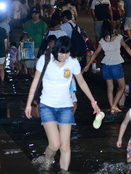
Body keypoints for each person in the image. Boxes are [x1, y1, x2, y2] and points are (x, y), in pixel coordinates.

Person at [25, 36, 101, 171]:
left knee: (65, 146)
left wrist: (93, 102)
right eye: (61, 52)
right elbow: (35, 82)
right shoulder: (45, 59)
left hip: (66, 107)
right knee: (54, 145)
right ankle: (47, 160)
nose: (64, 56)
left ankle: (64, 171)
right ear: (56, 50)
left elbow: (82, 82)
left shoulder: (72, 62)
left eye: (67, 53)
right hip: (47, 105)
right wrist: (28, 104)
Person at [84, 20, 131, 114]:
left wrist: (88, 65)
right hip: (116, 65)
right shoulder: (118, 38)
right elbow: (126, 47)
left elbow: (96, 53)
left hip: (106, 66)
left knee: (110, 88)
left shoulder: (102, 41)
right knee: (122, 87)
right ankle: (113, 106)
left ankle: (112, 106)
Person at [22, 8, 48, 76]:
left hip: (39, 46)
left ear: (39, 14)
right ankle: (32, 77)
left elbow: (45, 36)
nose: (35, 15)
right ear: (31, 15)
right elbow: (24, 34)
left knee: (38, 64)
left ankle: (37, 78)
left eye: (36, 14)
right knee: (29, 65)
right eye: (33, 14)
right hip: (28, 46)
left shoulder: (43, 24)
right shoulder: (27, 23)